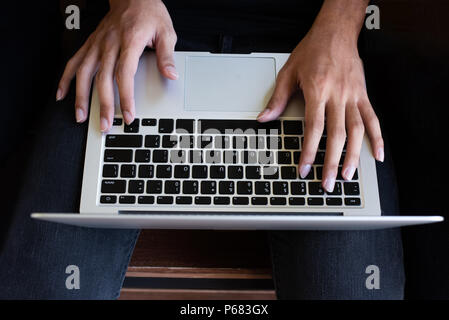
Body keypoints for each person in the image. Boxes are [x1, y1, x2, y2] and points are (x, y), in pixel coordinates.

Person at [0, 0, 404, 299]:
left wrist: (341, 24)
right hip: (140, 29)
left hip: (313, 38)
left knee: (356, 289)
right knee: (48, 284)